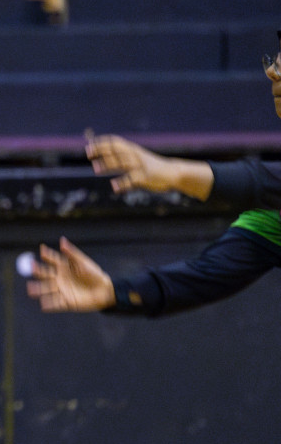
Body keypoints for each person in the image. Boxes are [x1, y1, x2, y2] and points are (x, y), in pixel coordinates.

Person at [26, 56, 281, 314]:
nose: (272, 71)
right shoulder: (273, 219)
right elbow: (202, 276)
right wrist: (114, 292)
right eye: (275, 59)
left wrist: (174, 173)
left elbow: (262, 182)